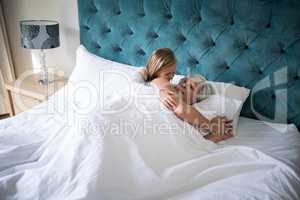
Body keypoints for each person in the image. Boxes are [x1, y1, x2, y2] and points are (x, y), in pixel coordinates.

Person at [139, 48, 233, 142]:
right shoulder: (165, 85)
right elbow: (179, 107)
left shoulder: (191, 116)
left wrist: (210, 135)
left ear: (195, 99)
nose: (185, 85)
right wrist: (210, 125)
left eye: (191, 87)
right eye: (185, 81)